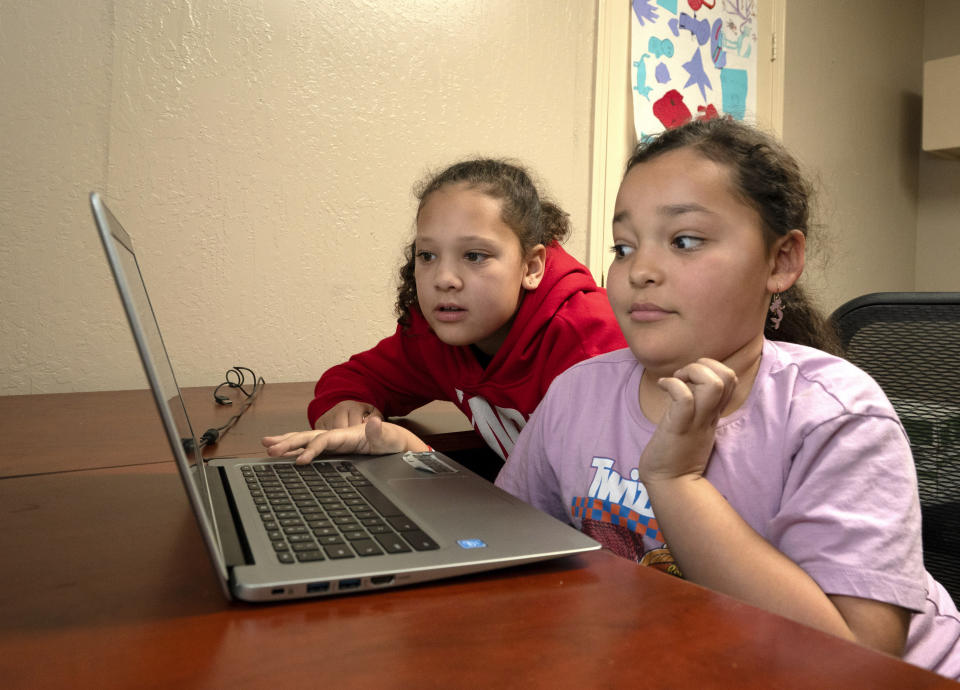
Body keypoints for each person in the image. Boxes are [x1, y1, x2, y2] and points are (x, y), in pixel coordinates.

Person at [493, 118, 960, 677]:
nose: (640, 269)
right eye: (623, 246)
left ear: (781, 261)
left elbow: (854, 664)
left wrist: (676, 482)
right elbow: (508, 547)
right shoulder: (577, 393)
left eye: (685, 240)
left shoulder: (834, 416)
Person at [262, 158, 625, 464]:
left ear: (531, 267)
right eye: (427, 255)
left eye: (474, 256)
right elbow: (355, 377)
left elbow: (607, 507)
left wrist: (414, 450)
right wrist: (348, 407)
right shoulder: (437, 335)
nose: (444, 278)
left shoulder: (593, 346)